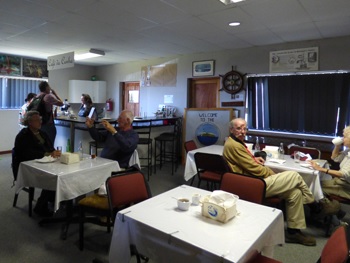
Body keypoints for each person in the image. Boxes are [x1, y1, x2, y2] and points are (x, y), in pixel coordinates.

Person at [223, 118, 340, 246]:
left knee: (294, 193)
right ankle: (316, 207)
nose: (243, 131)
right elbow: (255, 170)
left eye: (245, 128)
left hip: (251, 180)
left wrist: (253, 158)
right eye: (239, 128)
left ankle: (293, 232)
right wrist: (274, 175)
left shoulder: (235, 142)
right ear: (231, 129)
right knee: (294, 176)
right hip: (251, 185)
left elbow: (245, 163)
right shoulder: (234, 145)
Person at [14, 111, 61, 217]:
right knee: (52, 177)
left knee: (61, 174)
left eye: (40, 119)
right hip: (29, 166)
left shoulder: (42, 133)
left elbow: (50, 147)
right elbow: (26, 154)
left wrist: (54, 152)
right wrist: (47, 153)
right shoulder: (23, 135)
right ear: (30, 122)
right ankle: (40, 206)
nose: (40, 122)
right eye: (37, 120)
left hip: (46, 163)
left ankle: (54, 199)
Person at [37, 81, 64, 145]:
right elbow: (61, 103)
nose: (50, 88)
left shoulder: (38, 96)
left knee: (42, 144)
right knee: (50, 145)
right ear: (46, 88)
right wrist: (55, 94)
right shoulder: (48, 96)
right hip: (48, 124)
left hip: (39, 124)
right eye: (49, 87)